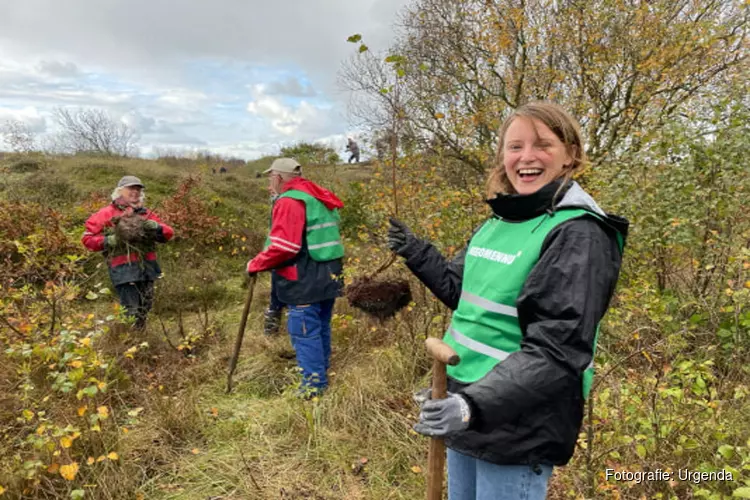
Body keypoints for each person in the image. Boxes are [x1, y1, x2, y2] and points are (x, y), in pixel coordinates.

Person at [387, 102, 628, 499]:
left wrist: (470, 406)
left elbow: (557, 349)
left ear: (570, 154)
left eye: (542, 145)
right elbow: (462, 295)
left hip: (518, 423)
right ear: (502, 156)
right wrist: (416, 251)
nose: (526, 157)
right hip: (466, 403)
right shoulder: (501, 221)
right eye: (515, 146)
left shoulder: (579, 233)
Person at [247, 158, 345, 396]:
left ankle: (312, 386)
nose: (270, 183)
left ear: (279, 177)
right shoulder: (317, 196)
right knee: (320, 324)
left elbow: (285, 246)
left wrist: (256, 263)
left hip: (304, 277)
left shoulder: (290, 201)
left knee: (303, 329)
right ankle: (321, 373)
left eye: (272, 178)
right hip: (329, 272)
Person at [82, 175, 174, 330]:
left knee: (145, 307)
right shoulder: (107, 213)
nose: (135, 192)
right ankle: (128, 340)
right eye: (131, 188)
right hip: (123, 270)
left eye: (138, 189)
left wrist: (157, 227)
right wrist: (108, 241)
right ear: (119, 191)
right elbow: (87, 239)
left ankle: (138, 338)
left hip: (148, 268)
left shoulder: (146, 214)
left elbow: (168, 234)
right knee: (131, 310)